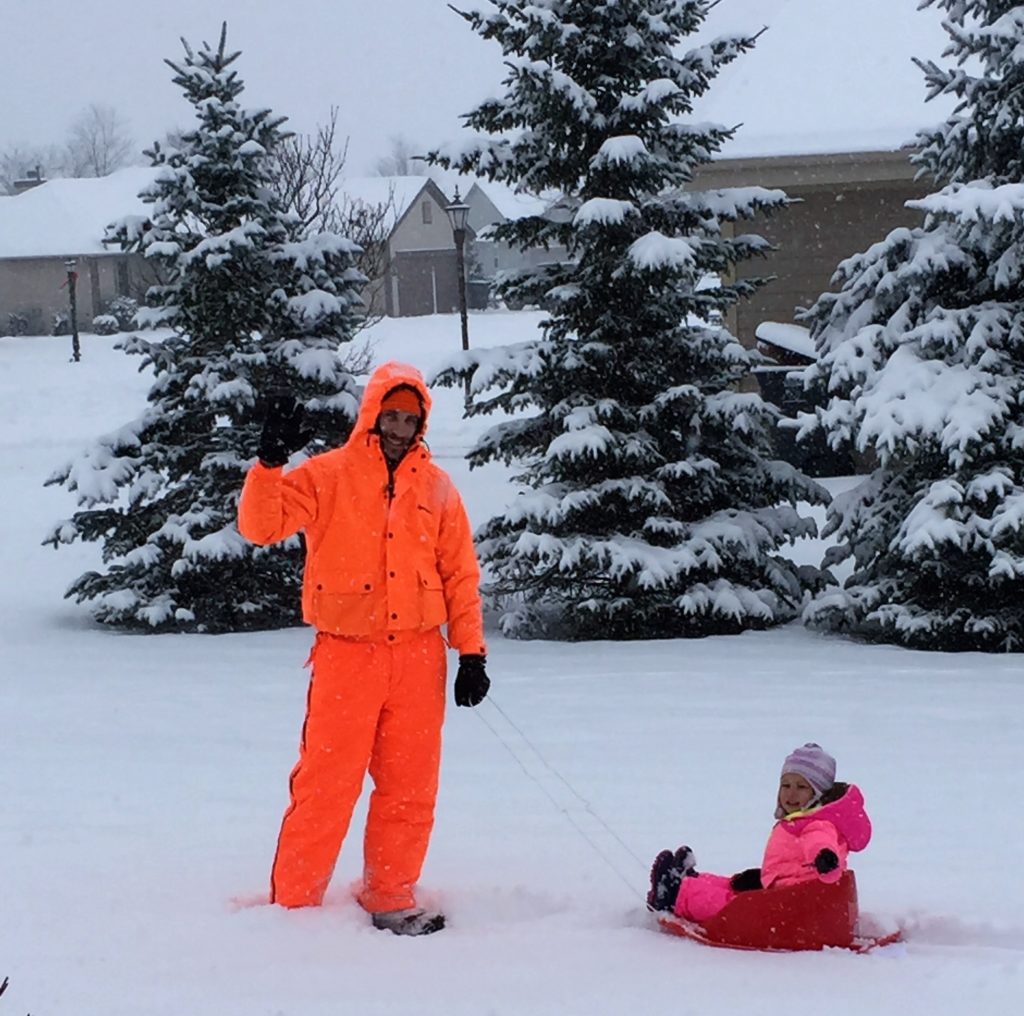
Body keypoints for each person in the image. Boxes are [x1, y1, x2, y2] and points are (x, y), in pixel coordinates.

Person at [238, 361, 490, 937]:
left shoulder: (438, 488)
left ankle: (391, 893)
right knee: (326, 783)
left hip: (420, 659)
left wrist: (471, 653)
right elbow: (261, 526)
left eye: (411, 418)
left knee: (410, 786)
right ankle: (294, 907)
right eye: (391, 416)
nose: (400, 428)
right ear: (372, 415)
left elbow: (460, 576)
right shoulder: (328, 475)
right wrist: (270, 465)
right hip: (347, 657)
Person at [647, 743, 871, 922]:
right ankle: (689, 879)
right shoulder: (802, 819)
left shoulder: (816, 824)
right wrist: (767, 877)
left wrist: (826, 859)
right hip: (789, 890)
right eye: (786, 785)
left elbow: (820, 843)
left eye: (802, 787)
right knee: (734, 884)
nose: (791, 794)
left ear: (818, 793)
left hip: (798, 904)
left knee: (731, 904)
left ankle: (676, 895)